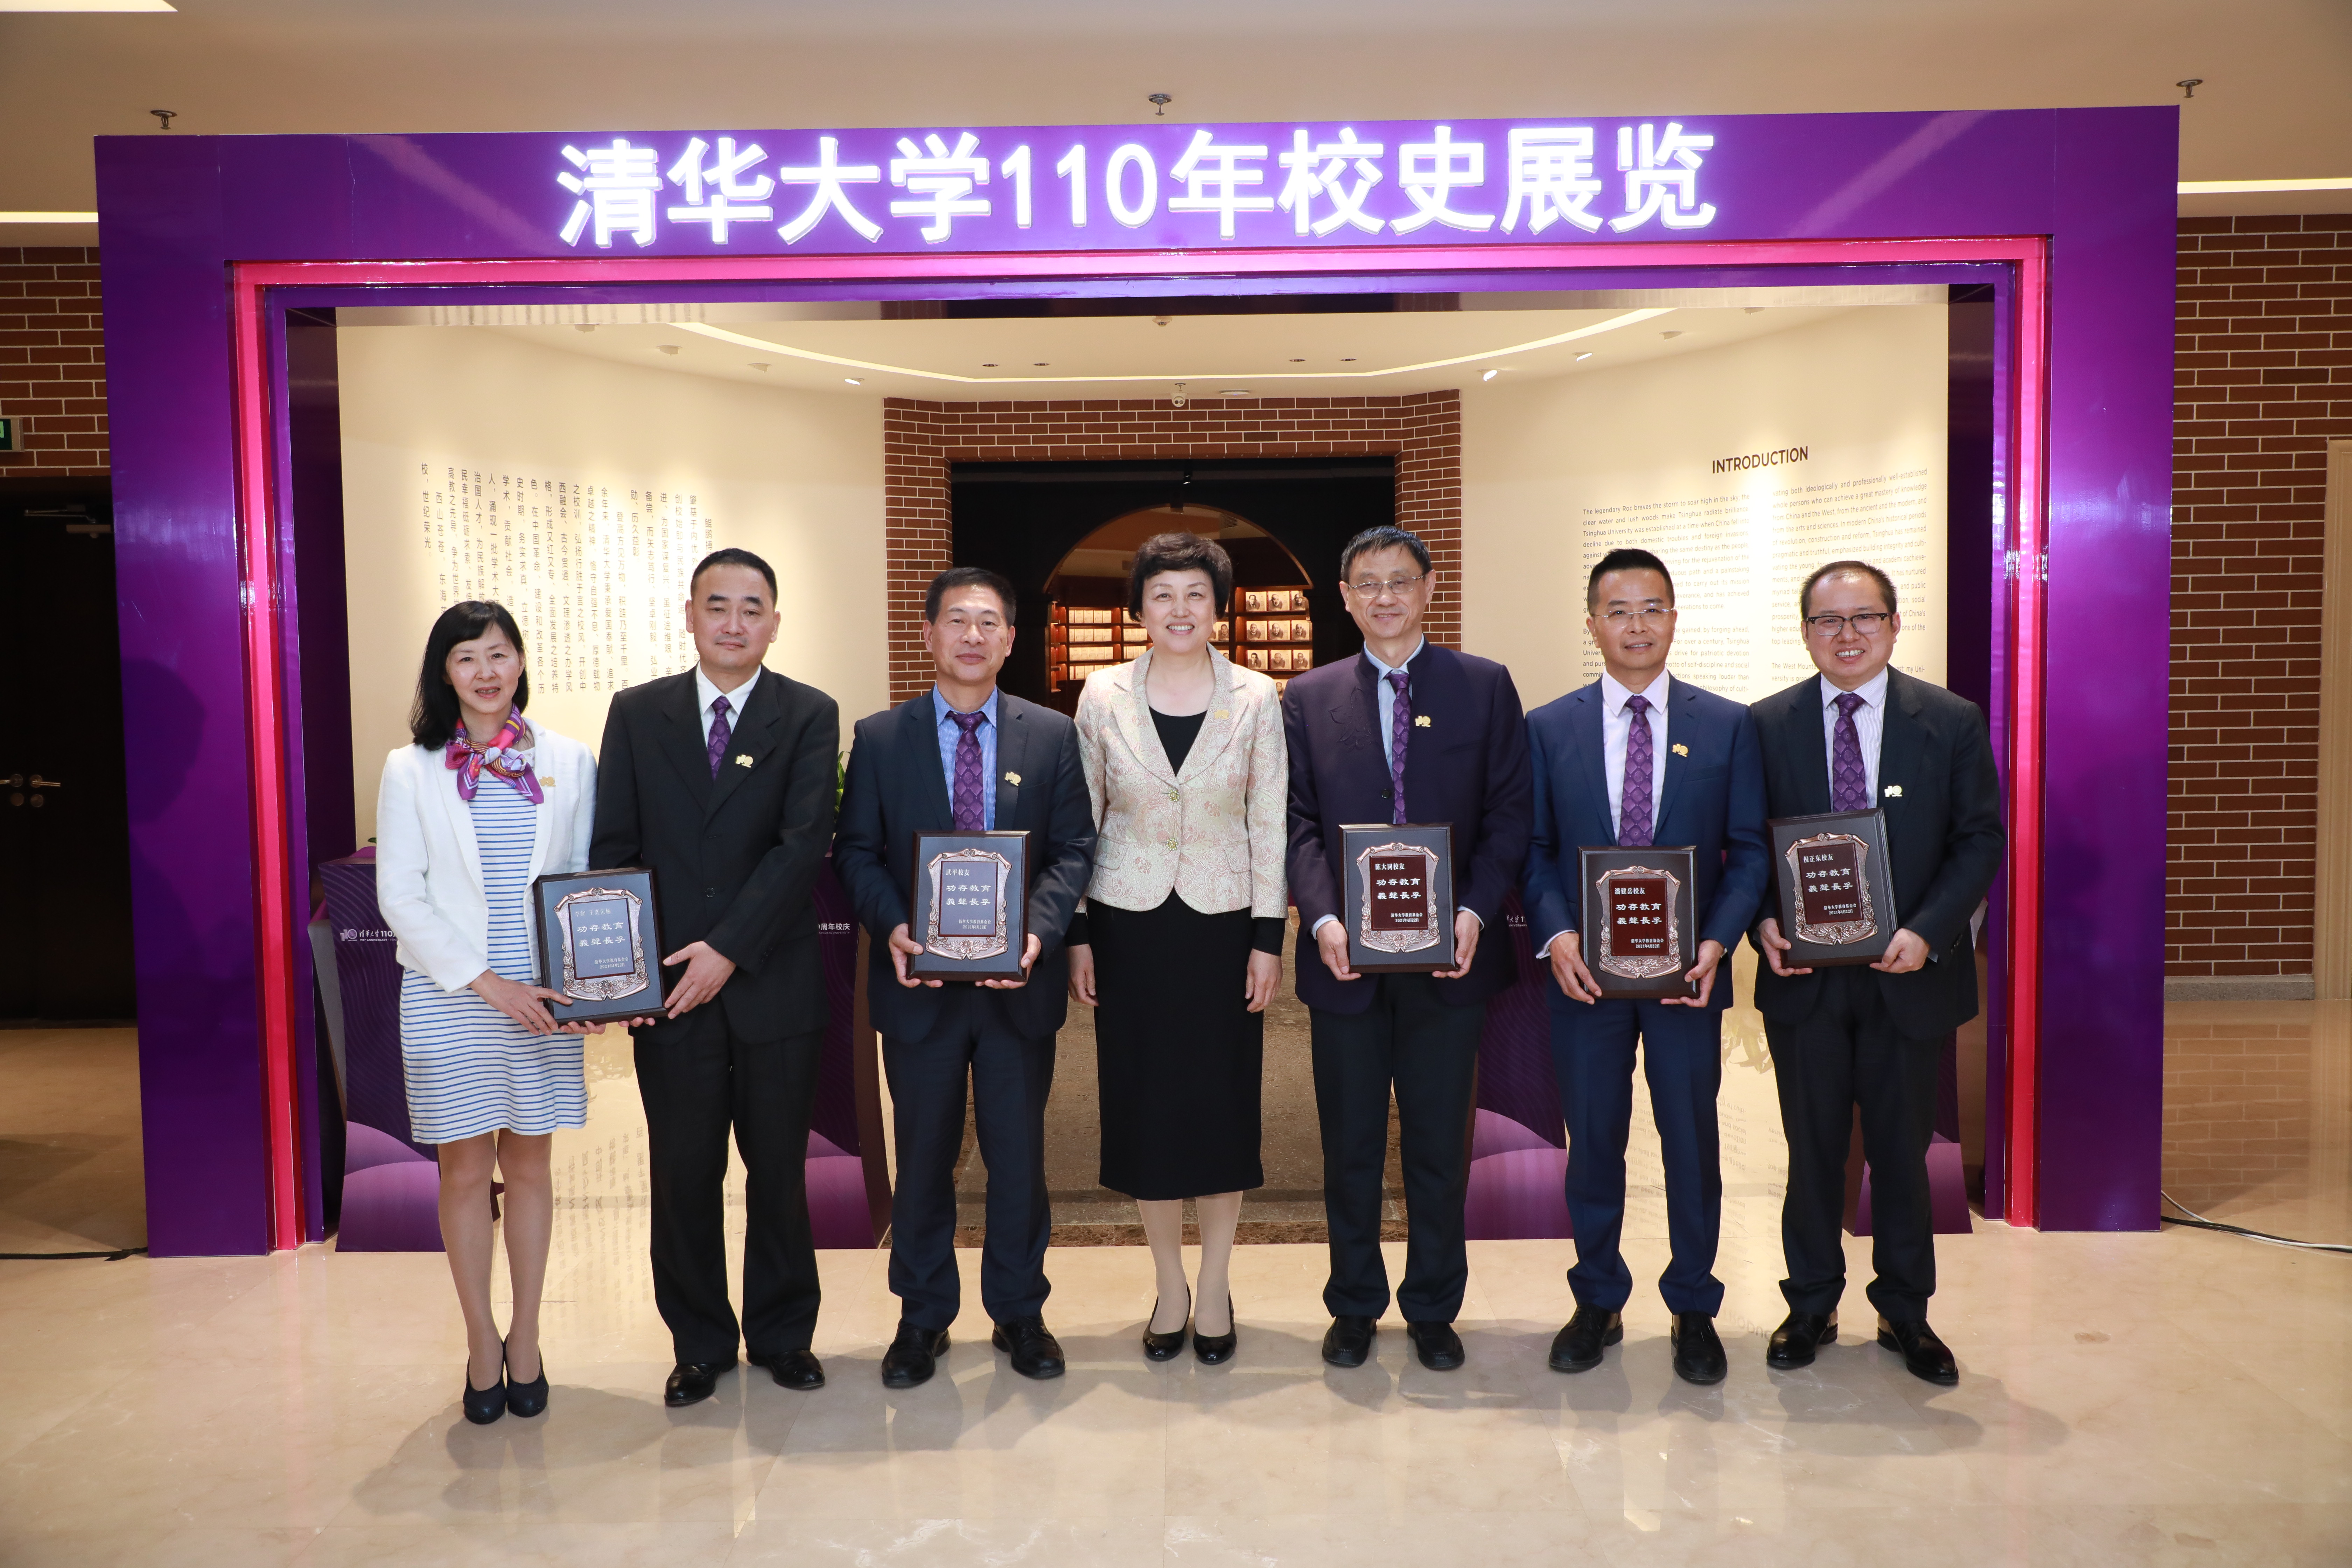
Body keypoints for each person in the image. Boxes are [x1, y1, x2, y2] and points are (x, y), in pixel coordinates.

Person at [589, 547, 842, 1407]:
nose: (734, 623)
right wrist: (622, 975)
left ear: (775, 622)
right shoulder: (637, 712)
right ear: (691, 615)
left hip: (773, 982)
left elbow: (802, 845)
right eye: (718, 605)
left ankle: (783, 1333)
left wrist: (727, 947)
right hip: (668, 988)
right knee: (683, 1174)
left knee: (779, 1172)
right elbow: (615, 847)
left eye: (752, 608)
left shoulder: (807, 713)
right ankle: (698, 1343)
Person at [832, 566, 1096, 1387]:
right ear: (929, 634)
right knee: (923, 1157)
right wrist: (894, 926)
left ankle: (1020, 1311)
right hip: (919, 988)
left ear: (1011, 638)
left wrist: (1037, 934)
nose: (972, 635)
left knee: (1019, 1157)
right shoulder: (882, 737)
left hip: (1019, 988)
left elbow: (1073, 850)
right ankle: (922, 1316)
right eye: (956, 620)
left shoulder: (1052, 735)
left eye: (988, 621)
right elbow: (857, 851)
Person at [1283, 525, 1532, 1372]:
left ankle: (1432, 1304)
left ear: (1429, 589)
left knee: (1437, 1146)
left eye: (1400, 580)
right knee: (1349, 1144)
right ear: (1345, 597)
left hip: (1449, 959)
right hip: (1344, 961)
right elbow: (1296, 823)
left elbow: (1509, 814)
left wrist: (1474, 909)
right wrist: (1323, 918)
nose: (1384, 596)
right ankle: (1354, 1303)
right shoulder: (1307, 696)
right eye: (1367, 582)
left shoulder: (1484, 686)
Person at [1750, 560, 2004, 1386]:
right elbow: (1745, 843)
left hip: (1909, 973)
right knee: (1812, 1149)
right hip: (1806, 980)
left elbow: (1979, 838)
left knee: (1901, 1152)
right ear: (1806, 632)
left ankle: (1906, 1309)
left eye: (1865, 617)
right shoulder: (1767, 724)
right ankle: (1811, 1302)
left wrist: (1928, 932)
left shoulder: (1951, 719)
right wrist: (1763, 921)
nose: (1848, 634)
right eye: (1829, 620)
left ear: (1894, 625)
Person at [1521, 548, 1769, 1387]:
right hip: (1585, 978)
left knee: (1691, 1141)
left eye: (1652, 607)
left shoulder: (1727, 725)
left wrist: (1717, 943)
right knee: (1593, 1141)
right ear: (1592, 622)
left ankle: (1694, 1304)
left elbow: (1749, 853)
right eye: (1619, 609)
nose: (1637, 624)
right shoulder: (1548, 726)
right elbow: (1536, 849)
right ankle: (1598, 1296)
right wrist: (1557, 936)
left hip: (1686, 980)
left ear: (1674, 617)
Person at [1066, 534, 1288, 1365]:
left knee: (1222, 1104)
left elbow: (1269, 818)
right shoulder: (1102, 693)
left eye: (1197, 593)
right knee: (1145, 1105)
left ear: (1218, 606)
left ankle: (1218, 1282)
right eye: (1163, 593)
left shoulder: (1258, 695)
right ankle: (1168, 1284)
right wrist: (1078, 932)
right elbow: (1081, 819)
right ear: (1140, 608)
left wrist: (1268, 937)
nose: (1180, 609)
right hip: (1128, 923)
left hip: (1223, 925)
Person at [376, 600, 598, 1425]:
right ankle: (480, 1338)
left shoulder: (569, 760)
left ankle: (527, 1335)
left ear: (521, 661)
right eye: (466, 657)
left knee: (532, 1166)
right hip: (450, 996)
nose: (485, 671)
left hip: (541, 997)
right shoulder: (410, 768)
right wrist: (487, 981)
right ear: (445, 672)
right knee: (465, 1172)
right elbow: (401, 895)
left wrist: (590, 983)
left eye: (499, 653)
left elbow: (585, 879)